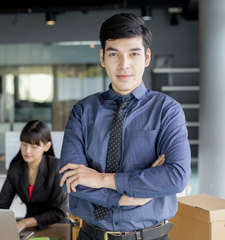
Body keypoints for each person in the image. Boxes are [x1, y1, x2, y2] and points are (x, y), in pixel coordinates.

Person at [59, 12, 191, 240]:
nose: (124, 64)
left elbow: (176, 177)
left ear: (147, 57)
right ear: (102, 58)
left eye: (133, 53)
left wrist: (102, 179)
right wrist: (124, 197)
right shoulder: (83, 111)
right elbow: (70, 180)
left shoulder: (167, 111)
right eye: (114, 54)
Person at [0, 120, 68, 232]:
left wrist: (25, 222)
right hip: (30, 229)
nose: (27, 151)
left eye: (34, 146)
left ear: (47, 146)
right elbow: (1, 206)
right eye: (24, 144)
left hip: (57, 228)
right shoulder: (16, 168)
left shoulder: (57, 167)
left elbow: (59, 212)